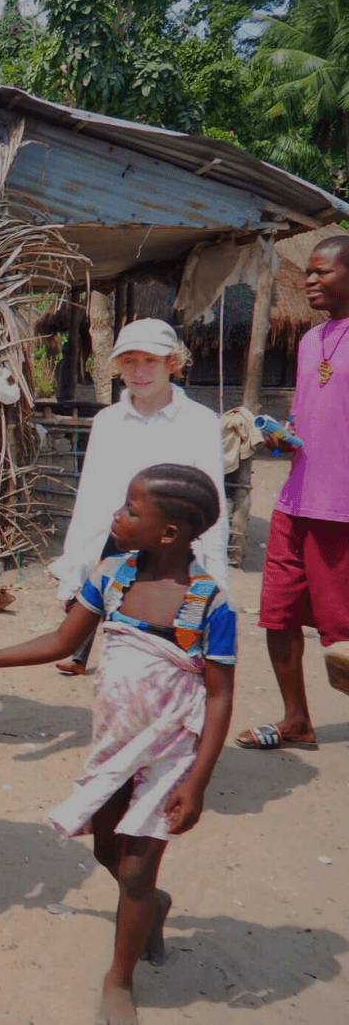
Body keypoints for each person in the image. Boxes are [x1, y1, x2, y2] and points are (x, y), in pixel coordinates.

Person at [0, 464, 236, 1025]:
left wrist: (197, 782)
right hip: (115, 746)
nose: (118, 516)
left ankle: (118, 980)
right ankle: (153, 906)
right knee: (107, 851)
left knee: (133, 868)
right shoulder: (112, 576)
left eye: (131, 511)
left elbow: (221, 697)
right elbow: (62, 640)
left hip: (170, 753)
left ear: (170, 534)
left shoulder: (210, 604)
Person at [52, 318, 228, 676]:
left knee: (165, 632)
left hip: (172, 543)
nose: (139, 371)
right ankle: (83, 652)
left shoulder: (200, 422)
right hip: (119, 534)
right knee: (92, 597)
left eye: (150, 361)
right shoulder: (108, 421)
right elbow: (92, 495)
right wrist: (76, 561)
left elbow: (211, 501)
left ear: (172, 364)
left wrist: (216, 574)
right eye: (130, 362)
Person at [237, 234, 349, 749]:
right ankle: (297, 720)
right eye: (309, 271)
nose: (310, 280)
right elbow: (311, 417)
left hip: (341, 508)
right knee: (278, 612)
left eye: (322, 271)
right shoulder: (309, 341)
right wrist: (283, 436)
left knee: (342, 629)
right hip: (295, 497)